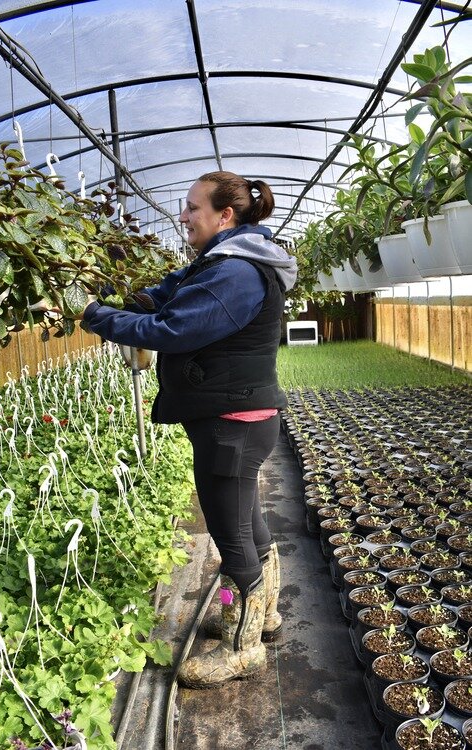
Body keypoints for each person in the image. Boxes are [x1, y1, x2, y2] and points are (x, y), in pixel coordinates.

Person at [81, 171, 297, 689]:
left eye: (192, 208)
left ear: (226, 215)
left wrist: (94, 316)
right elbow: (164, 300)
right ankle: (262, 616)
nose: (183, 216)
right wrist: (113, 296)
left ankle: (240, 648)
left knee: (233, 544)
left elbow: (173, 330)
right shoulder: (224, 263)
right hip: (240, 420)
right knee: (250, 528)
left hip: (231, 427)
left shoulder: (237, 273)